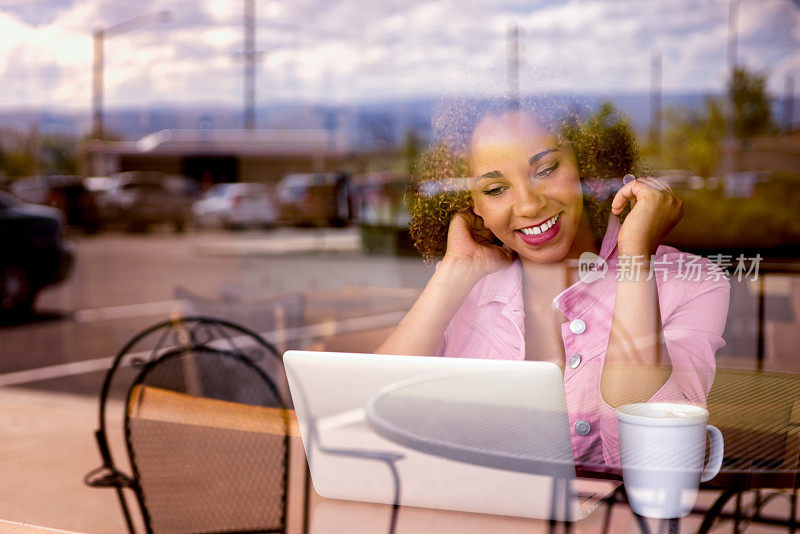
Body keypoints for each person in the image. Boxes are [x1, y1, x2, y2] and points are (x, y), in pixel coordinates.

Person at [376, 107, 730, 470]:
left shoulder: (692, 283)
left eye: (546, 170)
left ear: (588, 169)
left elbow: (653, 459)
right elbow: (365, 425)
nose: (529, 204)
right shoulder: (466, 281)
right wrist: (455, 271)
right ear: (473, 206)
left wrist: (636, 255)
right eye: (496, 189)